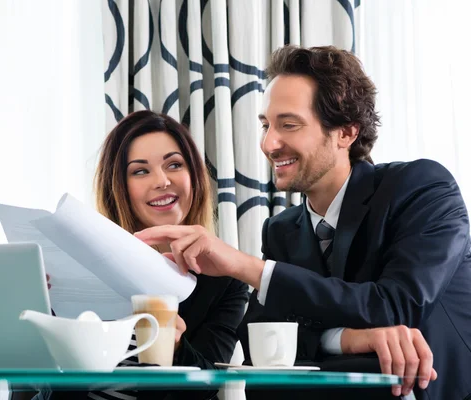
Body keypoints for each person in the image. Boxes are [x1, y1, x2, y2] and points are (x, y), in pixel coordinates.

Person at [134, 46, 471, 400]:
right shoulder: (281, 230)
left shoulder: (422, 188)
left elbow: (396, 306)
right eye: (266, 125)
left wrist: (247, 267)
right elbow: (260, 349)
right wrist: (351, 339)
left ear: (346, 131)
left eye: (288, 125)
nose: (269, 143)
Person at [41, 110, 250, 400]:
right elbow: (46, 383)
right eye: (140, 171)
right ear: (119, 188)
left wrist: (175, 345)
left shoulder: (225, 281)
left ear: (194, 177)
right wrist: (46, 309)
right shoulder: (76, 263)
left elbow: (204, 388)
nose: (162, 180)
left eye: (174, 165)